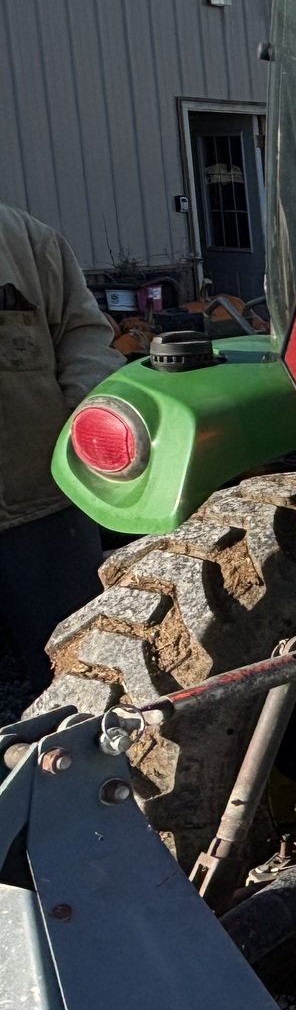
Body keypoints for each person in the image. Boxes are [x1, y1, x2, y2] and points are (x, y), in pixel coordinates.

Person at [1, 202, 124, 693]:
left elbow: (84, 336)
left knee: (78, 677)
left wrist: (71, 421)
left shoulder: (26, 241)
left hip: (40, 506)